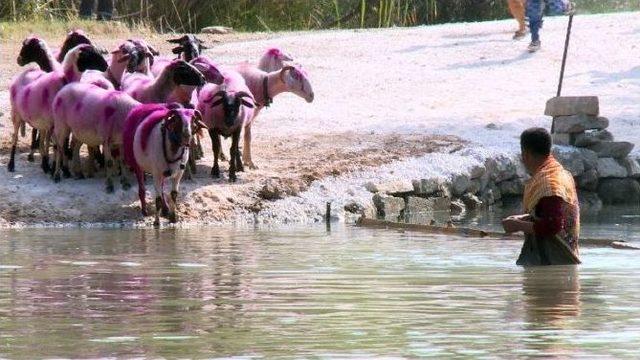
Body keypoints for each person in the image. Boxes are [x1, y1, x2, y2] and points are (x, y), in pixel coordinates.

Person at [502, 128, 581, 266]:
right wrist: (521, 218)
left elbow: (553, 226)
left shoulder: (549, 183)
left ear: (525, 154)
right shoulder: (558, 172)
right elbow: (545, 214)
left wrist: (518, 226)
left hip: (556, 262)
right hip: (564, 260)